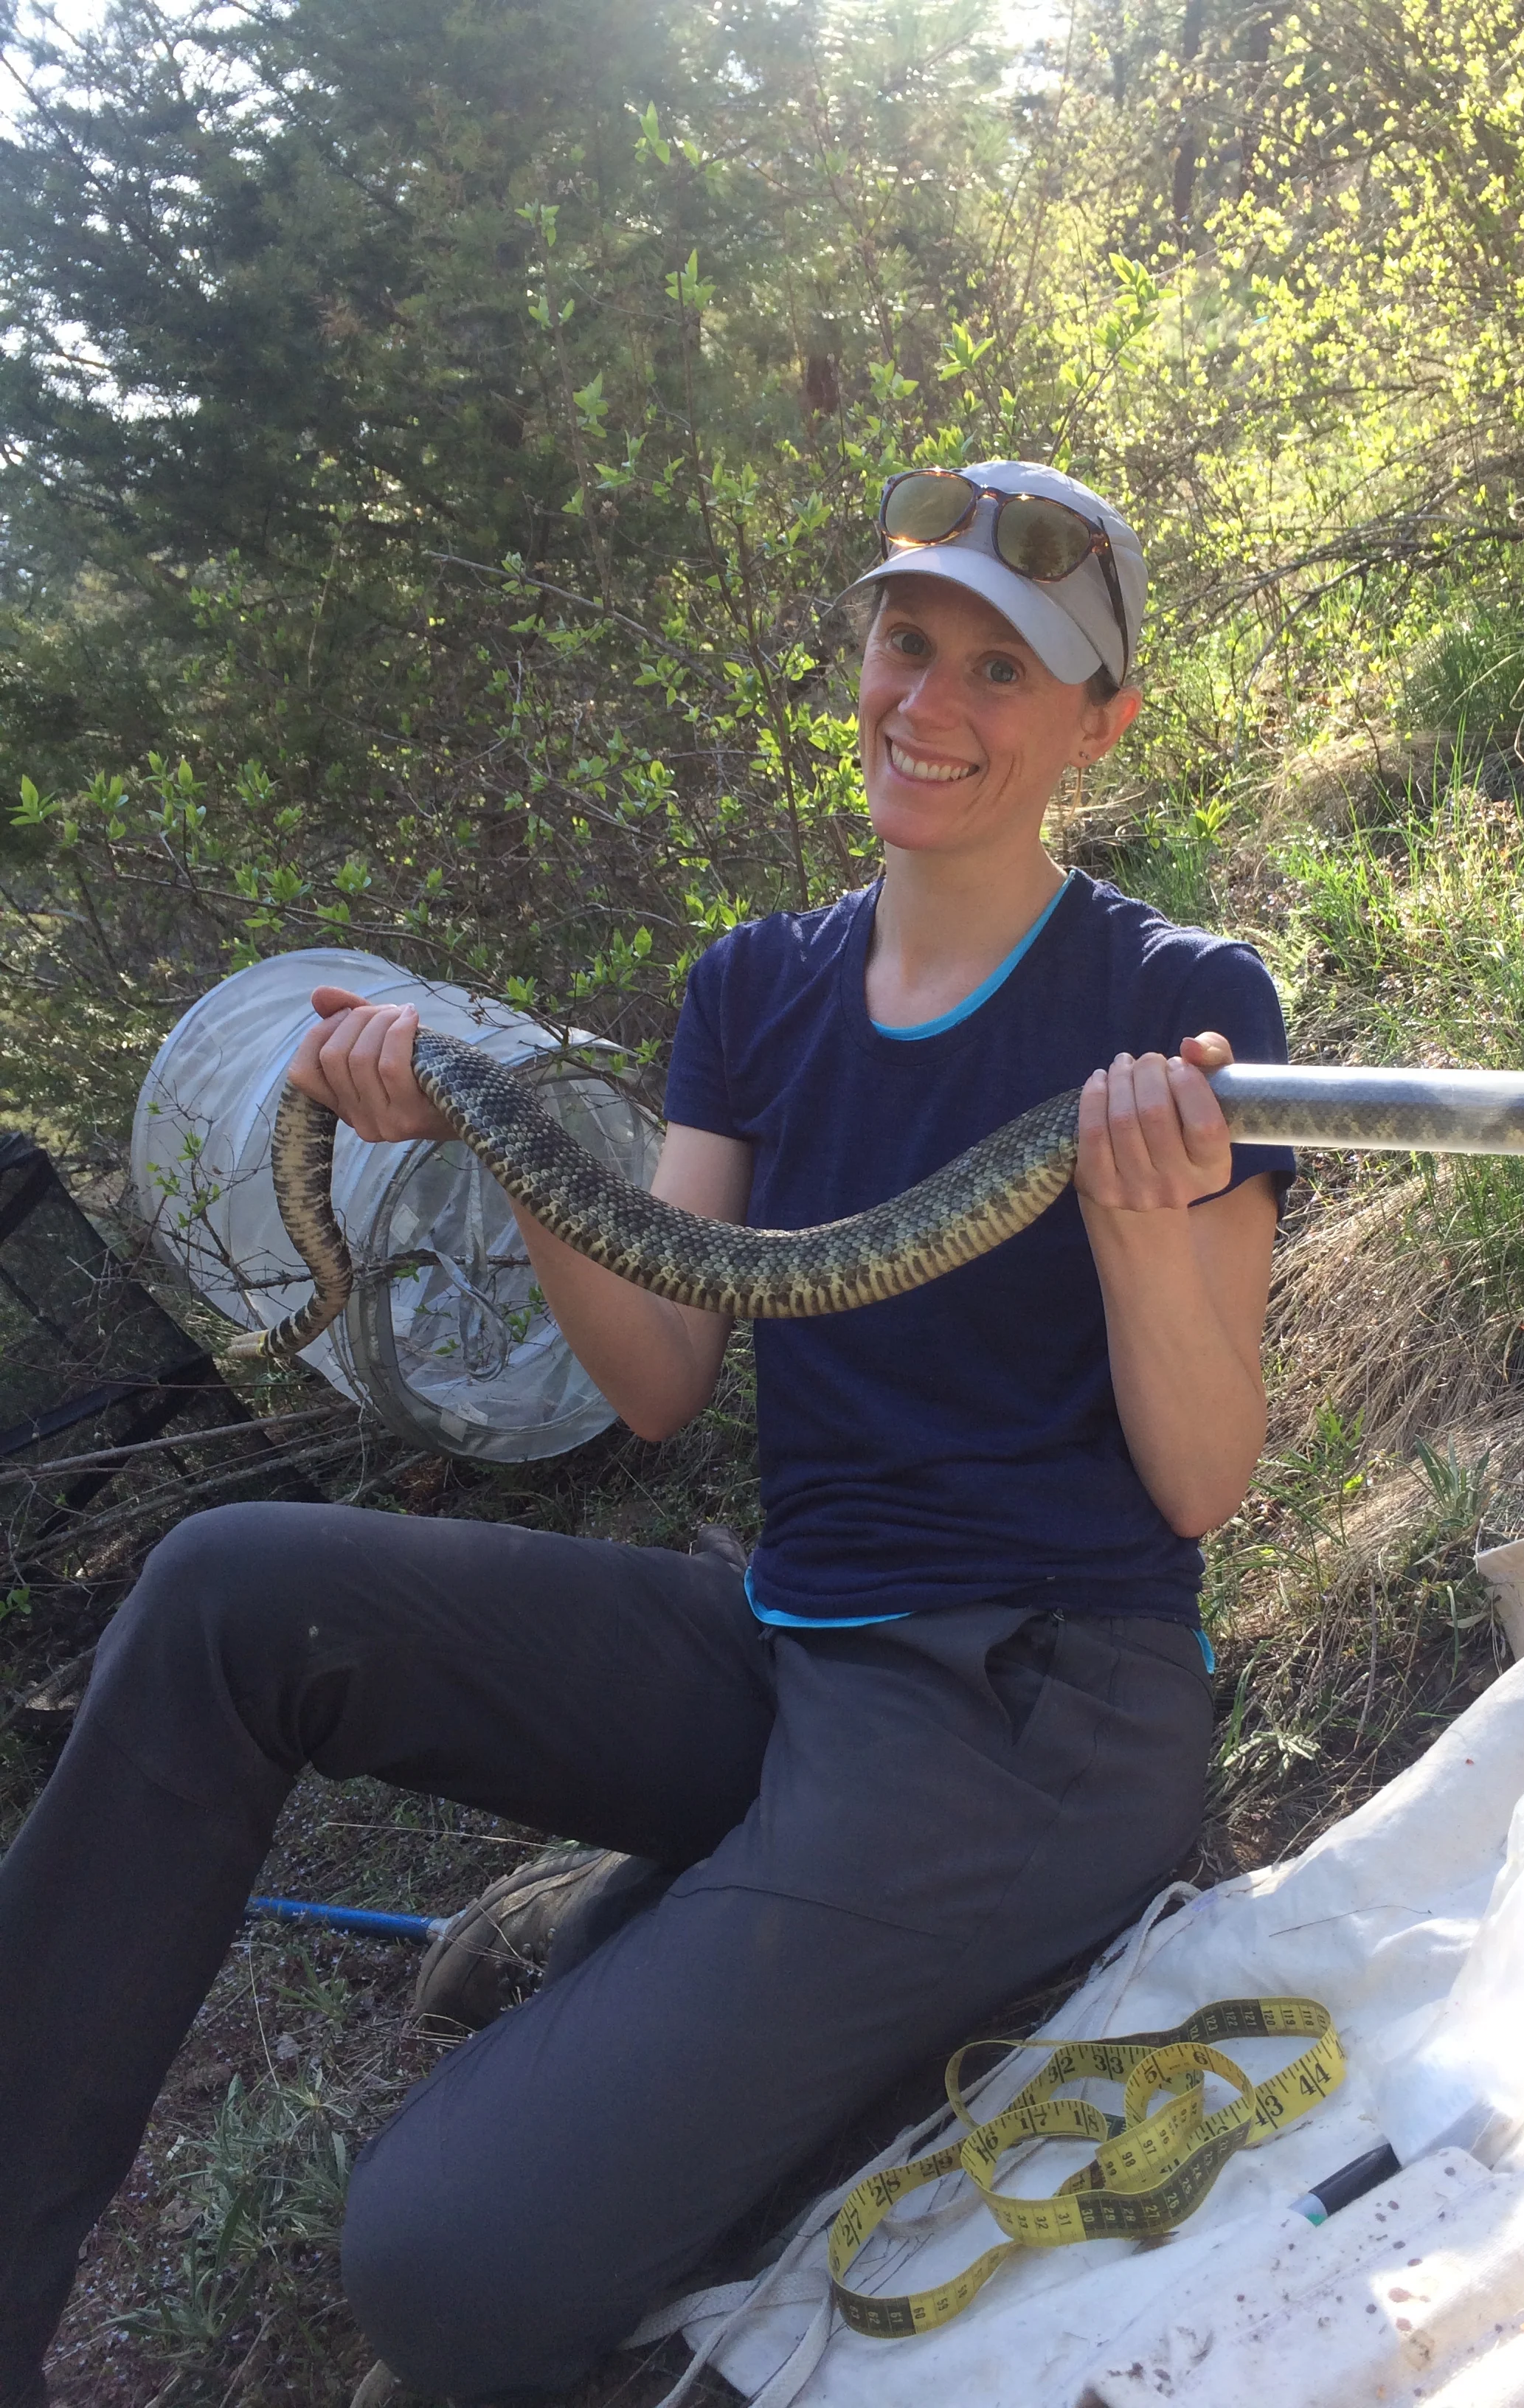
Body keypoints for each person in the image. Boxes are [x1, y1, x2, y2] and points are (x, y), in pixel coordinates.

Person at [0, 462, 1292, 2407]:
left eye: (1002, 674)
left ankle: (824, 1972)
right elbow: (662, 1379)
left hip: (1035, 1711)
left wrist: (1138, 1227)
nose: (927, 705)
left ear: (1099, 724)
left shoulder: (1175, 1004)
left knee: (436, 2269)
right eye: (905, 641)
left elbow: (1199, 1479)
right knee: (227, 1593)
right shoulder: (755, 989)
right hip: (794, 1651)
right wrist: (496, 1133)